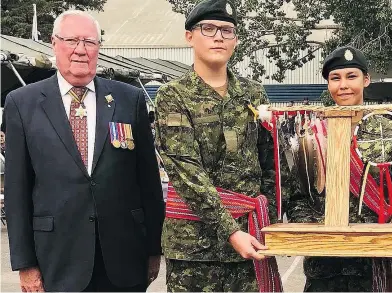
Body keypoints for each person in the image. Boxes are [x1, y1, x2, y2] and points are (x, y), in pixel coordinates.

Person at [3, 10, 164, 292]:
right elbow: (17, 190)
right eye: (71, 41)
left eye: (89, 42)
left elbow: (148, 181)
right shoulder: (22, 103)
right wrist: (25, 263)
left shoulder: (129, 99)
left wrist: (154, 248)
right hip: (57, 259)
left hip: (124, 257)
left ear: (98, 48)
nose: (80, 50)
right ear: (54, 43)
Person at [155, 0, 281, 291]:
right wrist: (231, 231)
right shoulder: (173, 96)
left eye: (227, 30)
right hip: (195, 249)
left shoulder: (253, 93)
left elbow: (271, 162)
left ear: (236, 40)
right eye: (208, 28)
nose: (218, 37)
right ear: (189, 36)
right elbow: (186, 171)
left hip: (251, 239)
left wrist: (271, 221)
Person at [286, 46, 392, 292]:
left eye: (352, 76)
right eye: (335, 78)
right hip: (324, 265)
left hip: (375, 262)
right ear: (328, 84)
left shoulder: (388, 132)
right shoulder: (312, 136)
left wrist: (389, 231)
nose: (344, 85)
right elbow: (297, 197)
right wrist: (317, 230)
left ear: (366, 79)